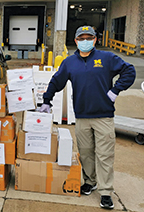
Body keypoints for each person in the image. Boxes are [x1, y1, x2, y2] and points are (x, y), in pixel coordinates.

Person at [40, 26, 136, 210]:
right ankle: (90, 181)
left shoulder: (107, 58)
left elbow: (129, 70)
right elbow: (56, 81)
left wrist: (116, 90)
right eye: (81, 38)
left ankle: (106, 192)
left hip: (103, 116)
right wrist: (47, 100)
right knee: (85, 152)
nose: (85, 41)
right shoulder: (69, 63)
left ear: (95, 40)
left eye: (89, 38)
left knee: (104, 155)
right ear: (76, 41)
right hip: (82, 116)